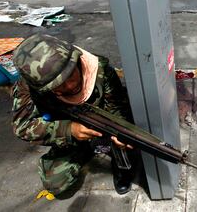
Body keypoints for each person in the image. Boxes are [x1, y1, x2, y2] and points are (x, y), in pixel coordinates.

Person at [11, 34, 136, 196]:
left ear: (76, 61)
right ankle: (84, 150)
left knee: (125, 143)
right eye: (57, 85)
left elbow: (118, 111)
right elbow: (22, 126)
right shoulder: (29, 86)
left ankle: (118, 163)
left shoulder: (101, 70)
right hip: (70, 134)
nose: (69, 86)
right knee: (55, 183)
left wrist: (120, 134)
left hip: (104, 126)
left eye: (70, 75)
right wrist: (68, 130)